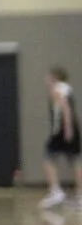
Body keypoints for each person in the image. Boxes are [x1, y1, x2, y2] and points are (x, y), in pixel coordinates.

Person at [40, 65, 80, 210]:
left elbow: (65, 108)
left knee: (48, 158)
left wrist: (67, 129)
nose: (46, 79)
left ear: (54, 77)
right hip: (71, 128)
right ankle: (80, 197)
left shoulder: (57, 89)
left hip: (62, 129)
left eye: (48, 76)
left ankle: (55, 191)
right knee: (75, 160)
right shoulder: (66, 87)